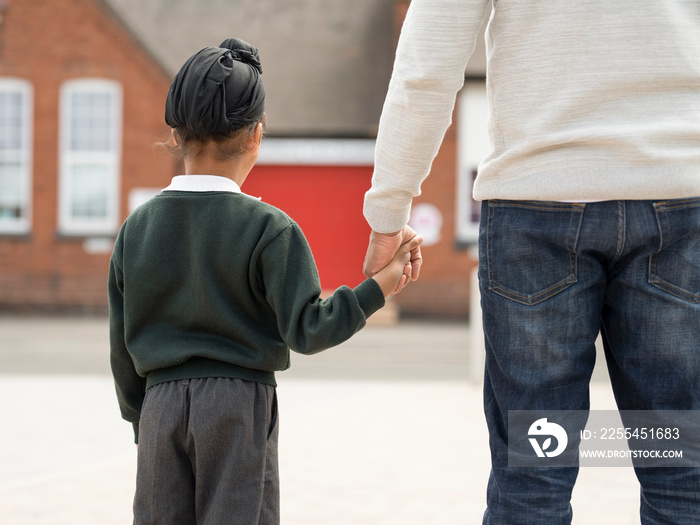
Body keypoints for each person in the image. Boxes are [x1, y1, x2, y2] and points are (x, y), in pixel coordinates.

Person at [362, 1, 700, 524]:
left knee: (533, 471)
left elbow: (426, 65)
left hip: (537, 200)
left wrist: (388, 212)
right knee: (683, 470)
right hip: (681, 196)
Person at [109, 38, 422, 525]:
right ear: (256, 135)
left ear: (175, 133)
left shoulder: (136, 229)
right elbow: (310, 329)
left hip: (159, 404)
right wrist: (380, 285)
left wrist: (142, 422)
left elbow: (121, 345)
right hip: (238, 406)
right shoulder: (269, 229)